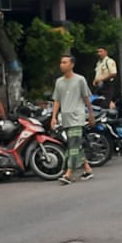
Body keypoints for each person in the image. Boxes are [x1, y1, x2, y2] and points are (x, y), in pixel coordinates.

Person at [50, 54, 95, 185]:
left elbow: (86, 97)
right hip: (65, 117)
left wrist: (90, 113)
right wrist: (53, 117)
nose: (61, 65)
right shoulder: (59, 82)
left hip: (77, 116)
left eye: (64, 62)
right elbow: (57, 100)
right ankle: (87, 169)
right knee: (75, 144)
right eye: (61, 62)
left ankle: (69, 173)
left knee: (73, 145)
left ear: (72, 65)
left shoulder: (80, 80)